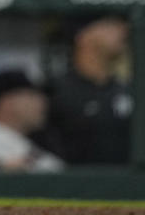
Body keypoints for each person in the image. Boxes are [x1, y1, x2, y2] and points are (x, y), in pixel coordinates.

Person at [46, 14, 133, 164]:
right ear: (82, 35)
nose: (123, 30)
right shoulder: (54, 91)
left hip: (128, 186)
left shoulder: (129, 91)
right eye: (109, 24)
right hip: (75, 185)